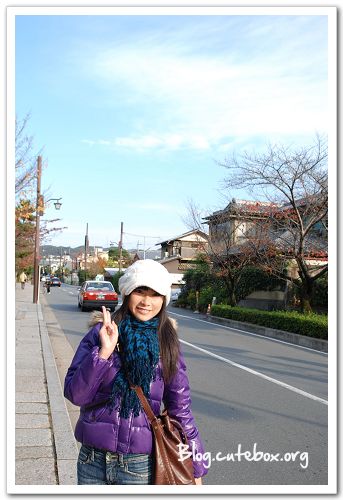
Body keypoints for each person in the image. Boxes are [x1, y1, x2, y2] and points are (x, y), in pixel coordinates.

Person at [64, 259, 208, 485]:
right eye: (140, 291)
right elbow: (76, 395)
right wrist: (103, 353)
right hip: (92, 460)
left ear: (164, 299)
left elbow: (181, 410)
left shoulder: (167, 344)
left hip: (140, 466)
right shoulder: (100, 334)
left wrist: (197, 466)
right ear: (127, 293)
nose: (146, 302)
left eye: (155, 294)